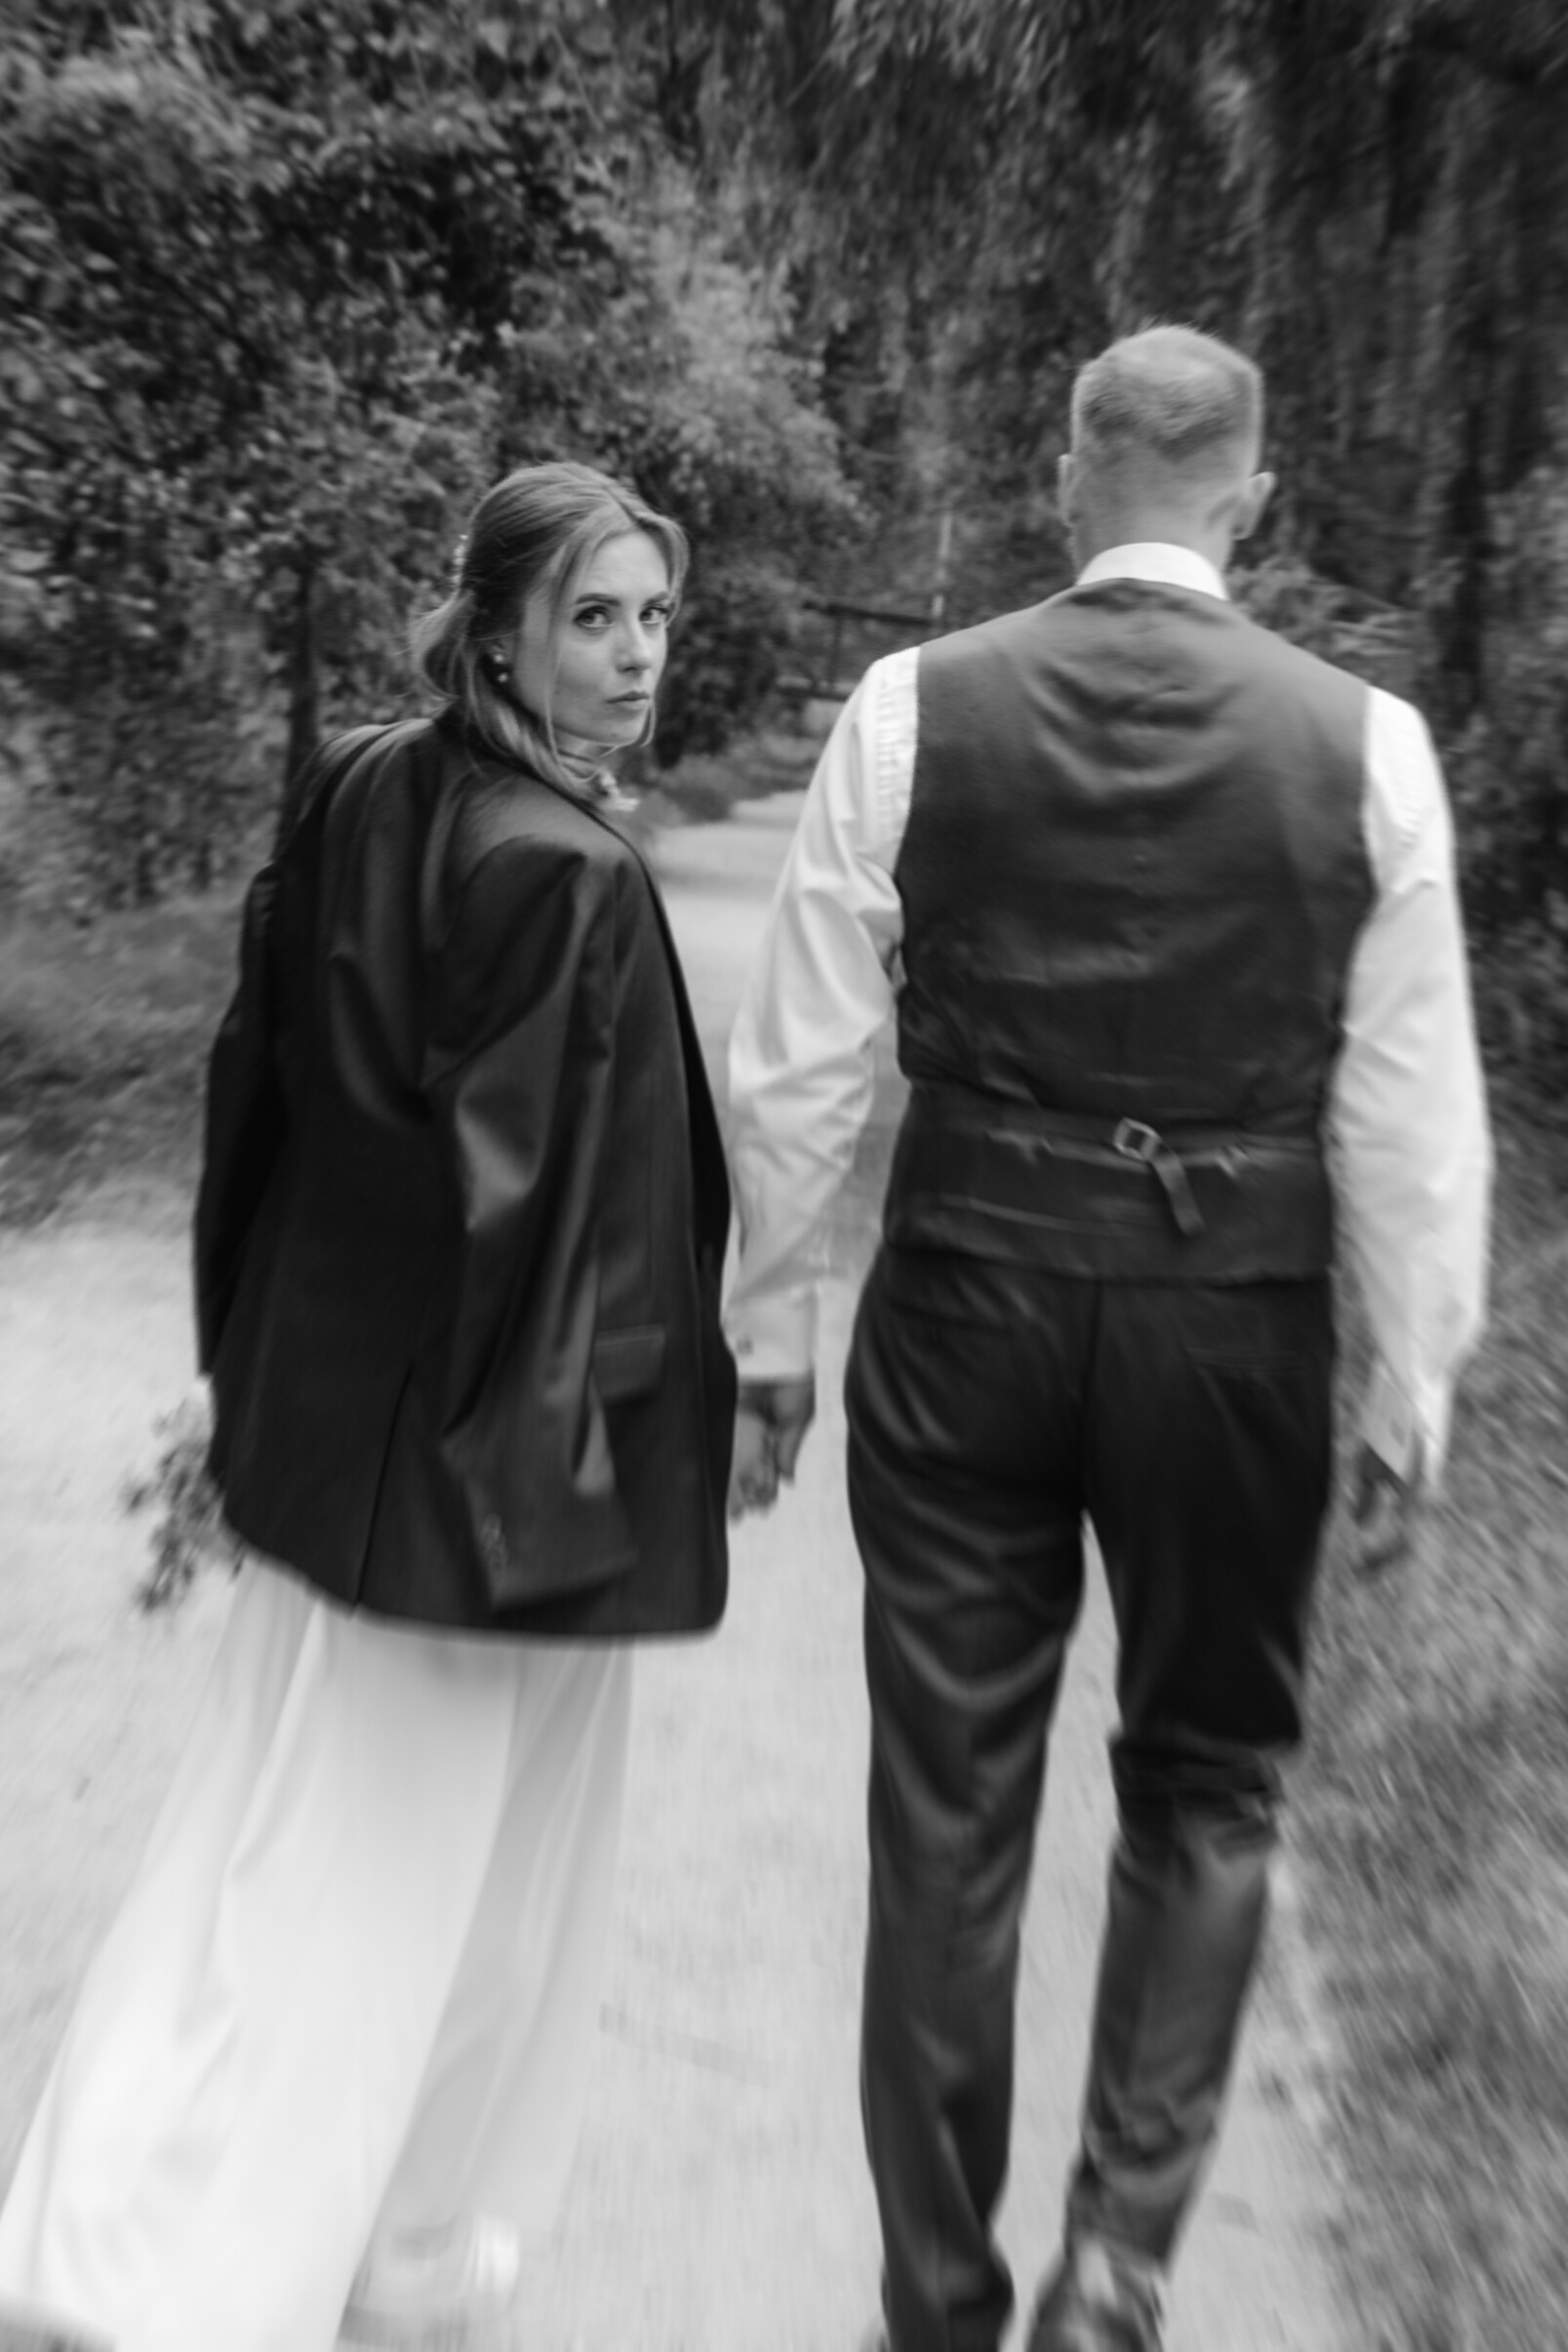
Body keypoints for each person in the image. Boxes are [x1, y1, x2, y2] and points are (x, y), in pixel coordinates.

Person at [725, 326, 1492, 2352]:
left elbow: (797, 1065)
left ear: (1070, 479)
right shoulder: (1370, 747)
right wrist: (1408, 1387)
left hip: (964, 1300)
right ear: (1255, 499)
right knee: (1214, 1779)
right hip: (1233, 1326)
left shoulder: (912, 706)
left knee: (947, 1809)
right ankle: (1121, 2268)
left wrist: (771, 1333)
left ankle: (937, 2303)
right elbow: (1412, 1114)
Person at [0, 461, 736, 2352]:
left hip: (328, 1440)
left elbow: (258, 1091)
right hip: (486, 1488)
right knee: (424, 1905)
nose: (637, 655)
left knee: (262, 1849)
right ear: (492, 629)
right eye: (592, 615)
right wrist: (584, 1498)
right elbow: (565, 1241)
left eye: (655, 615)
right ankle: (218, 2278)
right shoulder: (566, 873)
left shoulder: (354, 779)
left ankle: (169, 2236)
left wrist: (239, 1368)